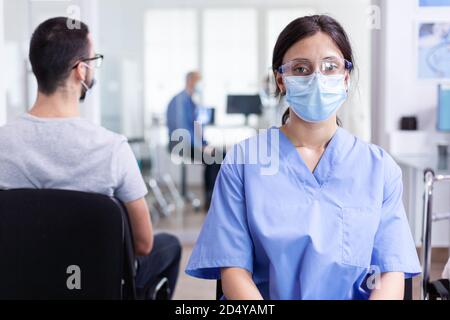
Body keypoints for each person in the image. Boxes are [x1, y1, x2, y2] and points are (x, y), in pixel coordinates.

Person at [186, 15, 421, 300]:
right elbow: (233, 272)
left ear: (345, 77)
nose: (317, 78)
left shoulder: (379, 168)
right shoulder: (243, 163)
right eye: (301, 68)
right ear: (281, 80)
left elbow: (390, 272)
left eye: (330, 67)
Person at [0, 17, 181, 300]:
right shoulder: (112, 149)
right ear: (81, 71)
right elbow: (144, 244)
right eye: (94, 60)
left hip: (19, 283)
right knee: (168, 245)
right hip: (93, 284)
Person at [166, 72, 222, 209]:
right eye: (199, 82)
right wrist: (201, 146)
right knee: (214, 158)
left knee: (222, 155)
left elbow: (196, 128)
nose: (201, 86)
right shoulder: (179, 101)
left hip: (191, 144)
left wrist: (204, 144)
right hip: (179, 144)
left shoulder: (191, 102)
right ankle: (210, 201)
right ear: (190, 81)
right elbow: (183, 130)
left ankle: (216, 197)